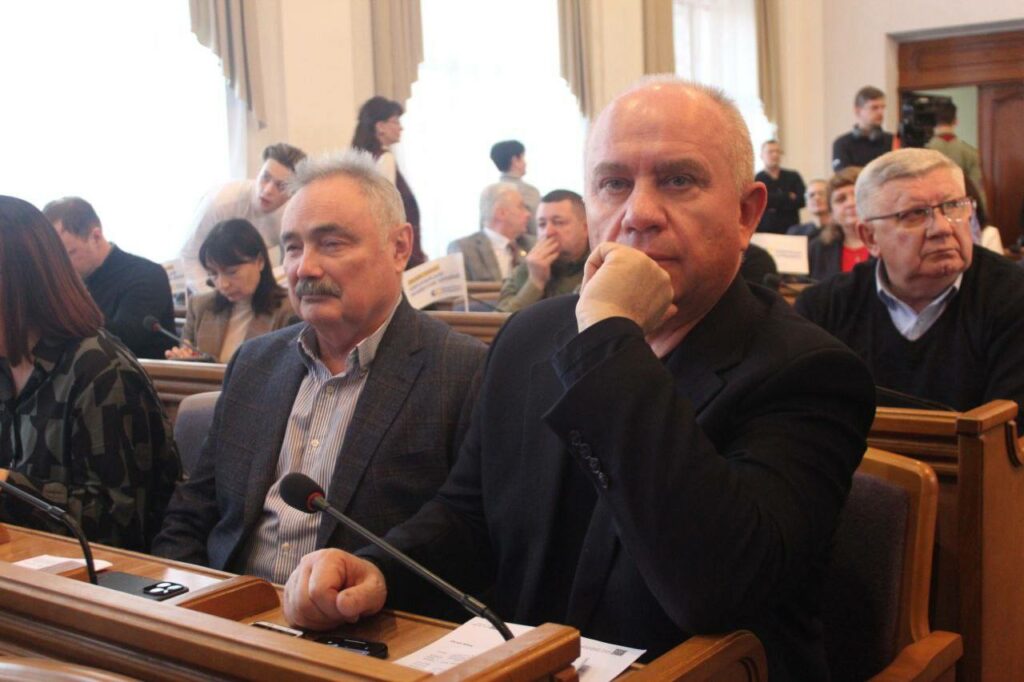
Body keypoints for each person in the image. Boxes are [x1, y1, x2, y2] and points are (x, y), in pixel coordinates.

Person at [282, 78, 875, 680]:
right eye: (614, 184)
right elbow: (469, 515)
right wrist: (382, 570)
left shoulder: (809, 371)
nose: (638, 214)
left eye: (678, 180)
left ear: (746, 212)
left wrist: (610, 337)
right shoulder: (530, 337)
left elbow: (714, 588)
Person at [151, 151, 487, 584]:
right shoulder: (254, 363)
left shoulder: (461, 371)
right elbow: (193, 510)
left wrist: (370, 579)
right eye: (292, 247)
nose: (303, 268)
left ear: (399, 247)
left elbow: (465, 531)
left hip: (362, 614)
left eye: (331, 244)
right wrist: (180, 597)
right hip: (229, 605)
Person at [0, 196, 180, 551]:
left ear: (18, 287)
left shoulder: (102, 371)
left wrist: (8, 485)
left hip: (107, 575)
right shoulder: (6, 363)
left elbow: (118, 522)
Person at [796, 148, 1024, 429]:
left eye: (954, 206)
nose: (942, 228)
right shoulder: (823, 309)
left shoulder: (1013, 295)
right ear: (870, 237)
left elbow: (1009, 434)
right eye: (915, 214)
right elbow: (805, 423)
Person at [43, 196, 175, 359]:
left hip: (141, 371)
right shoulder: (73, 277)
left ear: (96, 237)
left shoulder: (146, 275)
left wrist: (71, 299)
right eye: (53, 258)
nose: (60, 266)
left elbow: (124, 342)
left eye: (69, 254)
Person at [165, 219, 298, 363]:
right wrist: (183, 358)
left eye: (232, 272)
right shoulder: (200, 307)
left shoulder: (290, 310)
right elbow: (188, 359)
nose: (223, 284)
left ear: (260, 261)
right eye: (213, 274)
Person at [181, 143, 307, 292]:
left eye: (281, 186)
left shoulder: (292, 212)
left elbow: (294, 259)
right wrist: (214, 297)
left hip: (255, 288)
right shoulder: (220, 202)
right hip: (211, 283)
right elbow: (189, 256)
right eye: (265, 177)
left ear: (293, 192)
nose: (267, 190)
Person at [351, 96, 426, 269]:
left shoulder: (360, 159)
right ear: (380, 126)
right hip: (395, 250)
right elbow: (389, 209)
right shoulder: (385, 158)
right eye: (395, 121)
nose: (401, 127)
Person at [496, 190, 589, 312]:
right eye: (541, 224)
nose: (548, 232)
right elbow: (499, 320)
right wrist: (535, 282)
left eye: (558, 223)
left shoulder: (600, 265)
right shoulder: (528, 267)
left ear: (586, 228)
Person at [448, 183, 534, 282]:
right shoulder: (464, 249)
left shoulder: (531, 246)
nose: (528, 214)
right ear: (501, 213)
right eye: (521, 207)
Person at [807, 167, 870, 282]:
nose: (851, 203)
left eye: (857, 195)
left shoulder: (891, 243)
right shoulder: (817, 249)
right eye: (841, 199)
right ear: (831, 212)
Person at [926, 100, 987, 214]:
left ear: (934, 122)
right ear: (955, 121)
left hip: (930, 211)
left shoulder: (923, 153)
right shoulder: (971, 153)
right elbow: (977, 191)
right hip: (961, 211)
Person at [832, 86, 894, 171]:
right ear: (858, 111)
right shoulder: (842, 144)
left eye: (883, 107)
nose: (880, 112)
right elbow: (843, 175)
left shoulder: (893, 141)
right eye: (874, 108)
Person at [487, 140, 542, 236]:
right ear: (515, 160)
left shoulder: (488, 192)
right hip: (525, 244)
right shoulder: (529, 192)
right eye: (523, 158)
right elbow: (537, 229)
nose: (525, 163)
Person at [754, 140, 806, 233]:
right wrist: (787, 196)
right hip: (765, 231)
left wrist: (772, 200)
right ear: (761, 155)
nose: (775, 155)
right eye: (770, 152)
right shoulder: (756, 179)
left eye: (778, 151)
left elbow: (802, 200)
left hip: (792, 230)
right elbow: (758, 203)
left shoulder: (793, 176)